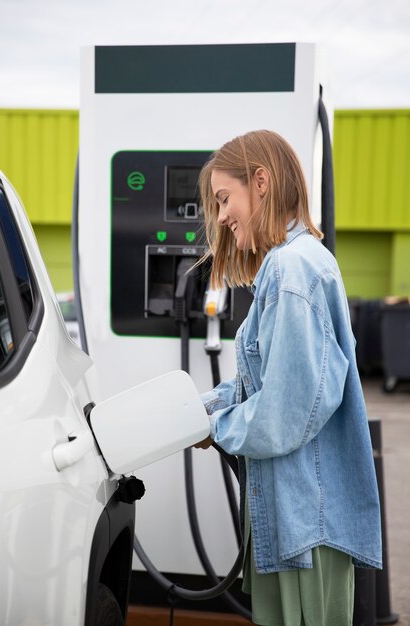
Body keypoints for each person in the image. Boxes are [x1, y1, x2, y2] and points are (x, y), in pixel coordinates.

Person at [195, 130, 382, 626]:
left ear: (261, 182)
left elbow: (284, 410)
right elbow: (267, 382)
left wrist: (215, 429)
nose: (221, 217)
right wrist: (202, 409)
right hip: (295, 521)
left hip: (307, 525)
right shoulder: (291, 265)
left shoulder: (292, 270)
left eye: (223, 199)